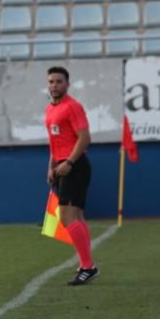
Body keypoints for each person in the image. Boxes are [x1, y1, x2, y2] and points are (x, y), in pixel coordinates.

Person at [45, 66, 99, 286]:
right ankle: (86, 265)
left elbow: (84, 138)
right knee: (76, 217)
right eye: (51, 82)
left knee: (67, 217)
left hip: (74, 166)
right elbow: (54, 141)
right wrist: (51, 166)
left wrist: (69, 162)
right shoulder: (50, 108)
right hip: (61, 166)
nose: (54, 85)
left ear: (67, 84)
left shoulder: (73, 107)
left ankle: (88, 266)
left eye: (59, 81)